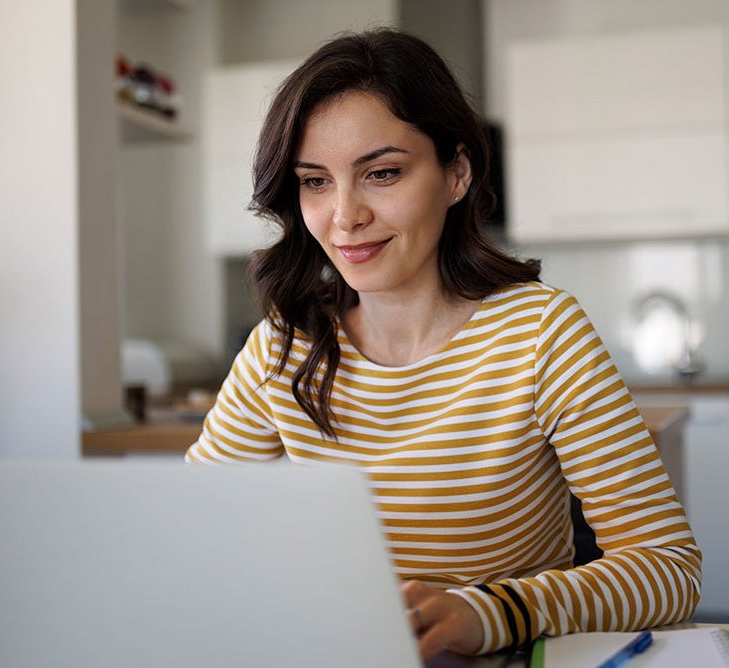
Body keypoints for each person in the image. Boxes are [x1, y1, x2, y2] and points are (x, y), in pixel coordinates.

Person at [184, 28, 701, 662]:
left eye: (382, 173)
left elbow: (667, 568)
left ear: (456, 173)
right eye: (315, 182)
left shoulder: (541, 333)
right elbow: (192, 536)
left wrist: (489, 612)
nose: (345, 216)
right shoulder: (283, 347)